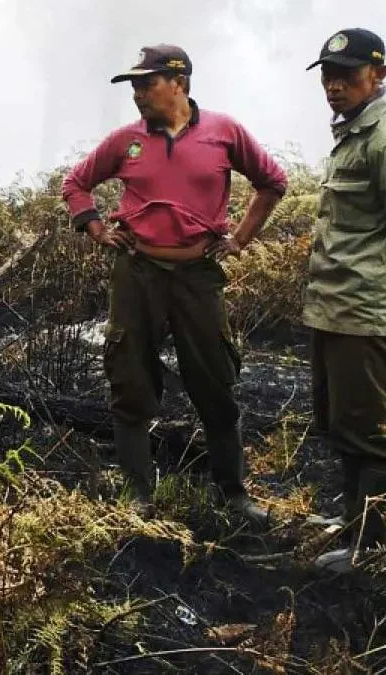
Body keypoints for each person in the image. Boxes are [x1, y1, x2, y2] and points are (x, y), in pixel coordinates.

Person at [61, 44, 287, 523]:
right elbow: (75, 183)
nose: (138, 94)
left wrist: (241, 239)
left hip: (197, 275)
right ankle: (138, 496)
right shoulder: (126, 140)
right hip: (138, 272)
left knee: (214, 379)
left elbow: (272, 182)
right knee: (129, 375)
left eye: (147, 83)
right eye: (135, 86)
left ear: (179, 83)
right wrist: (97, 227)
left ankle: (234, 494)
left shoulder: (224, 132)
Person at [301, 28, 386, 573]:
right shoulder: (354, 132)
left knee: (372, 431)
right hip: (335, 307)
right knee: (342, 422)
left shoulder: (381, 138)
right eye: (328, 77)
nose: (334, 86)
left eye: (347, 76)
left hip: (364, 311)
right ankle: (353, 520)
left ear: (378, 76)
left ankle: (370, 547)